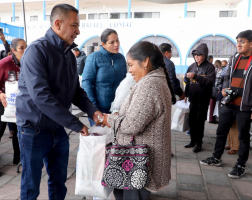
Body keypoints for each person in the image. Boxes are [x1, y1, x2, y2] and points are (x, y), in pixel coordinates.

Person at [15, 4, 103, 200]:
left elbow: (76, 91)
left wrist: (93, 111)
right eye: (74, 25)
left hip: (57, 130)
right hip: (33, 131)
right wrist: (76, 124)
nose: (78, 31)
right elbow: (41, 96)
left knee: (59, 183)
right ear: (57, 23)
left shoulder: (69, 56)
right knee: (30, 188)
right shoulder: (36, 52)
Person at [102, 41, 175, 200]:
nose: (130, 70)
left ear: (146, 61)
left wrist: (110, 119)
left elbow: (131, 125)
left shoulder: (149, 85)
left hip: (138, 162)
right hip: (140, 160)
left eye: (132, 65)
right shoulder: (154, 81)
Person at [200, 30, 252, 178]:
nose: (239, 44)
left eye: (242, 41)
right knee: (221, 132)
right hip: (229, 103)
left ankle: (240, 165)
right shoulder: (234, 58)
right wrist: (223, 89)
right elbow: (226, 76)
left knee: (243, 138)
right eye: (238, 41)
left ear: (251, 43)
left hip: (245, 106)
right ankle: (216, 158)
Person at [0, 38, 27, 177]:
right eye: (21, 48)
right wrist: (0, 94)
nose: (25, 50)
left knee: (17, 129)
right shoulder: (4, 63)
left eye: (26, 47)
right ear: (13, 51)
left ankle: (17, 157)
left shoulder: (28, 62)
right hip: (1, 100)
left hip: (19, 101)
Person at [82, 28, 127, 126]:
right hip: (99, 108)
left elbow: (125, 82)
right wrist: (93, 107)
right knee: (100, 138)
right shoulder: (94, 57)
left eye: (117, 40)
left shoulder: (121, 58)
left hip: (117, 108)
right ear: (103, 44)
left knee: (116, 138)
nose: (116, 44)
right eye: (112, 42)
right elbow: (86, 82)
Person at [183, 43, 215, 153]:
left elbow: (210, 82)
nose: (196, 56)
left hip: (203, 99)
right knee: (191, 120)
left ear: (204, 55)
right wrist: (186, 93)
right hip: (193, 97)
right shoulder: (192, 66)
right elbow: (187, 81)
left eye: (199, 55)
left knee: (199, 121)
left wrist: (195, 76)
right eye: (195, 55)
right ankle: (192, 141)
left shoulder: (210, 67)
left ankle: (198, 143)